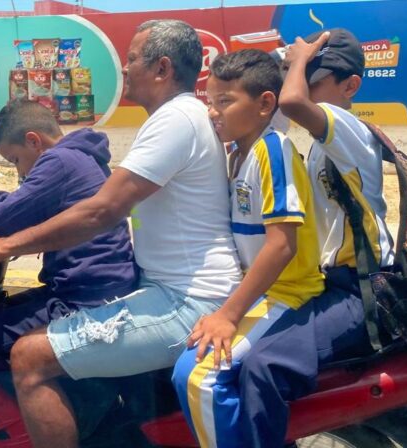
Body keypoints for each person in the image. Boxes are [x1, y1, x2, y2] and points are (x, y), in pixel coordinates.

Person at [0, 19, 242, 448]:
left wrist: (5, 246)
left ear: (162, 68)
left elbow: (101, 211)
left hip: (187, 301)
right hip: (173, 290)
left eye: (132, 58)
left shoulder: (175, 120)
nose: (126, 67)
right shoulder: (184, 116)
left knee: (30, 358)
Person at [238, 28, 395, 446]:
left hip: (358, 292)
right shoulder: (321, 145)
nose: (303, 84)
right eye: (301, 76)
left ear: (351, 86)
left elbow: (288, 102)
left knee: (263, 365)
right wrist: (286, 61)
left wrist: (301, 58)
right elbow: (269, 109)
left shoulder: (350, 129)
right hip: (328, 286)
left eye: (314, 77)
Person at [171, 49, 325, 448]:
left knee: (198, 376)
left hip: (286, 293)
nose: (213, 112)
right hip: (255, 292)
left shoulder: (272, 152)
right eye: (210, 101)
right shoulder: (238, 152)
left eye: (225, 101)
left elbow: (281, 245)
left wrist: (227, 314)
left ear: (264, 104)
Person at [0, 99, 138, 375]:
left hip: (84, 301)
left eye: (15, 160)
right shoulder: (80, 155)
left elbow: (0, 220)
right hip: (89, 290)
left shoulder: (60, 161)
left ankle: (40, 409)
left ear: (32, 141)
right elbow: (22, 203)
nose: (19, 171)